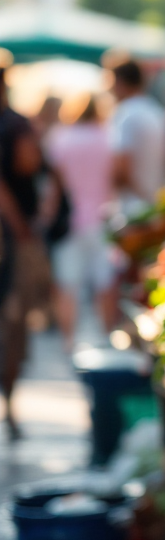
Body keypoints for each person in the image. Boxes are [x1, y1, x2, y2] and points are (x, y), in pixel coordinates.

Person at [0, 52, 52, 437]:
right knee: (12, 323)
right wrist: (21, 225)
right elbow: (28, 165)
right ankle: (10, 405)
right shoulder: (15, 124)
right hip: (9, 240)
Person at [44, 94, 117, 350]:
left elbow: (54, 185)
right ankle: (107, 335)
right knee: (104, 281)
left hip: (70, 221)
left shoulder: (61, 138)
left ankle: (69, 341)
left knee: (67, 284)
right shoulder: (106, 137)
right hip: (102, 218)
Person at [105, 56, 165, 216]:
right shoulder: (156, 111)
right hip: (153, 202)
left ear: (119, 82)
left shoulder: (124, 114)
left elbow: (121, 169)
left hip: (132, 208)